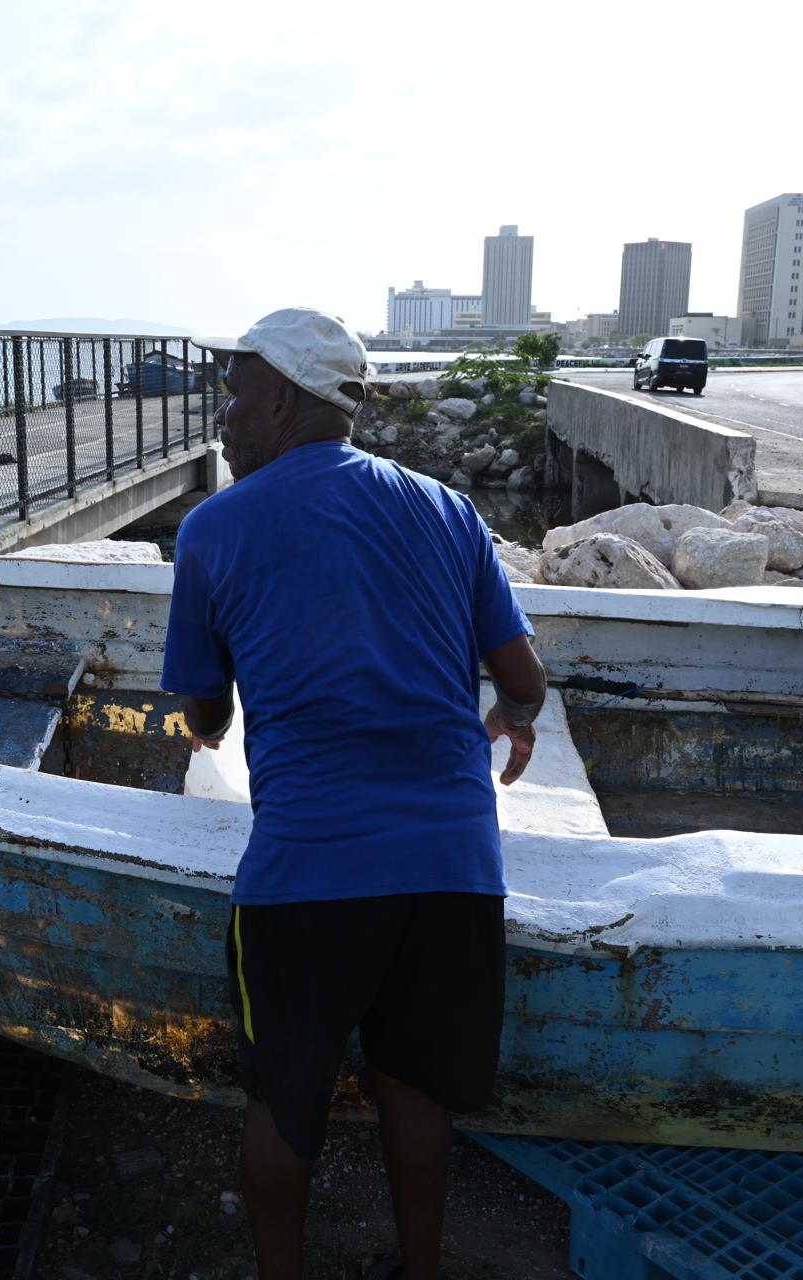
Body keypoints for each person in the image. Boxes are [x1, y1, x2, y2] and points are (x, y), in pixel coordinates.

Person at [161, 308, 547, 1279]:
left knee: (283, 1101)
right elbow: (525, 680)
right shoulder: (450, 509)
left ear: (284, 397)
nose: (224, 416)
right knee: (416, 1093)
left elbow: (206, 702)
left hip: (309, 875)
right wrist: (513, 719)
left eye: (236, 394)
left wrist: (207, 727)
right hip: (453, 868)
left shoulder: (213, 527)